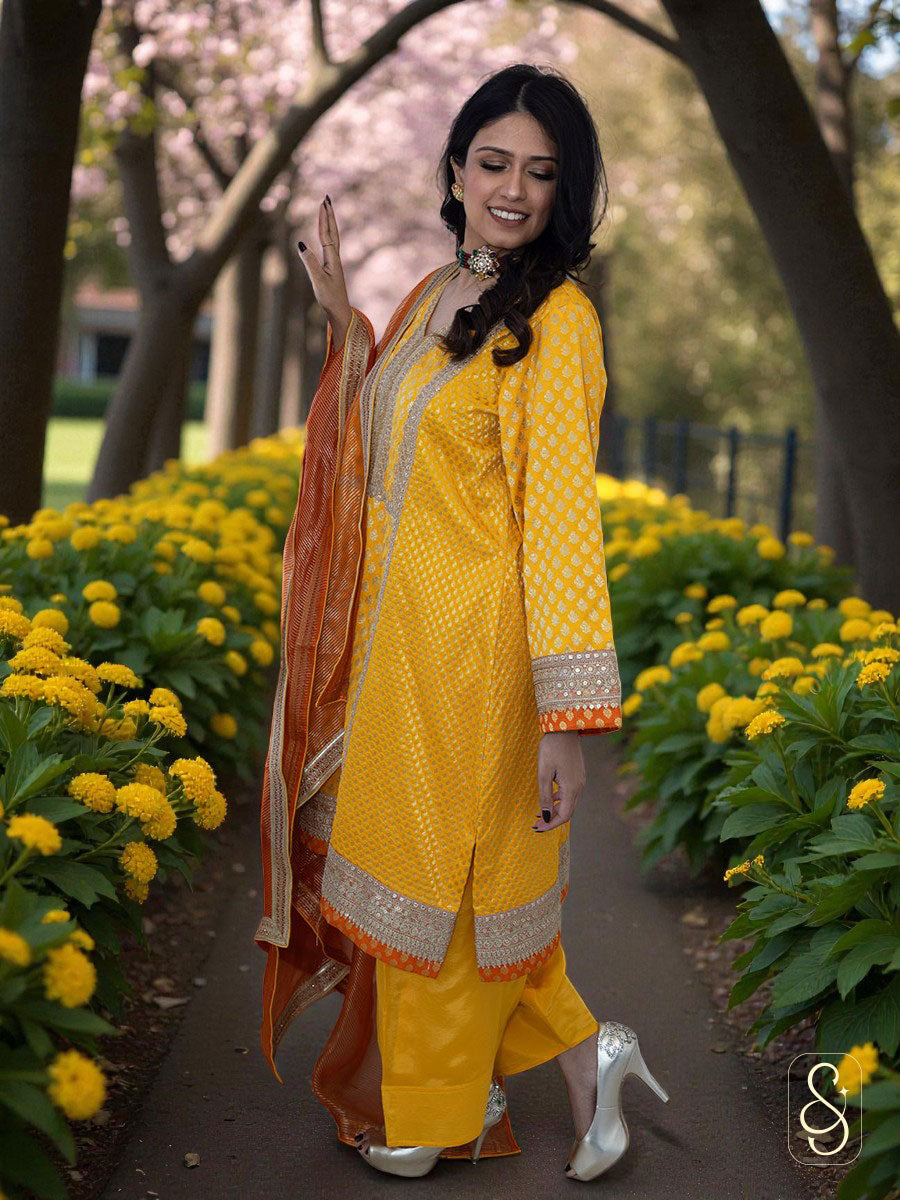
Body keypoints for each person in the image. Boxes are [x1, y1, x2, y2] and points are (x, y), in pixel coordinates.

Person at [255, 63, 669, 1182]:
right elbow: (385, 448)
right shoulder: (439, 291)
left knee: (447, 881)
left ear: (565, 191)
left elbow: (561, 526)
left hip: (481, 660)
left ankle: (437, 1111)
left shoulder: (561, 323)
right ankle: (593, 1060)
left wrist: (568, 720)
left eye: (541, 173)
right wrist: (348, 328)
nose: (512, 188)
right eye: (493, 162)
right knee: (429, 876)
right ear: (454, 168)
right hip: (401, 650)